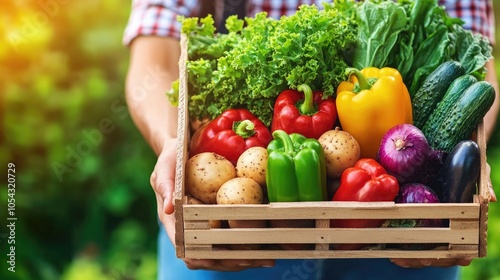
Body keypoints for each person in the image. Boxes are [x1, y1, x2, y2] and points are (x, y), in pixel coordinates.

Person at [123, 1, 499, 279]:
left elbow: (478, 75)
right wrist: (171, 143)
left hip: (399, 240)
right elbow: (152, 65)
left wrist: (465, 165)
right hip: (227, 240)